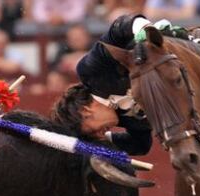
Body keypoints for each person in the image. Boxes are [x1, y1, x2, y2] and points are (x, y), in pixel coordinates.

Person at [52, 14, 153, 155]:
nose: (100, 135)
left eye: (92, 132)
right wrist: (90, 144)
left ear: (85, 111)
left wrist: (149, 34)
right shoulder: (125, 119)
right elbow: (140, 146)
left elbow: (121, 26)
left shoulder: (91, 72)